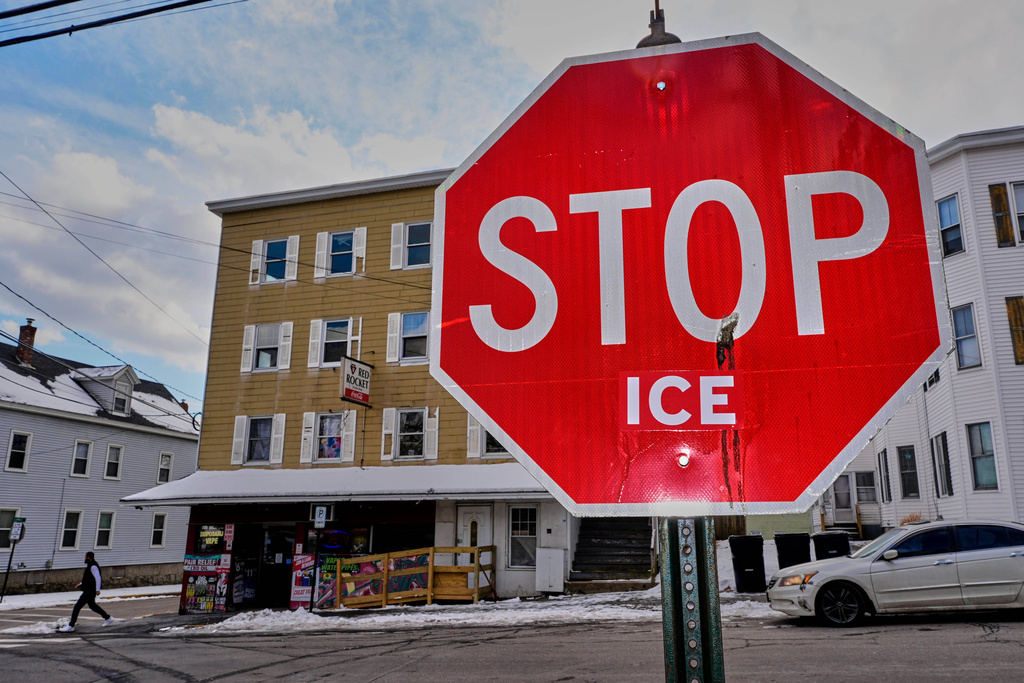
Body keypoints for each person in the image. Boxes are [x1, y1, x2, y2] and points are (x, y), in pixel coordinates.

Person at [58, 551, 114, 632]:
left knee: (77, 607)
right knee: (92, 606)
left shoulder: (93, 566)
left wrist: (98, 589)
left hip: (90, 591)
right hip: (89, 590)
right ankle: (108, 618)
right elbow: (88, 578)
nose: (84, 558)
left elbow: (98, 578)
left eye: (85, 557)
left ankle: (71, 625)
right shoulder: (90, 566)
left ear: (89, 557)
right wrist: (81, 584)